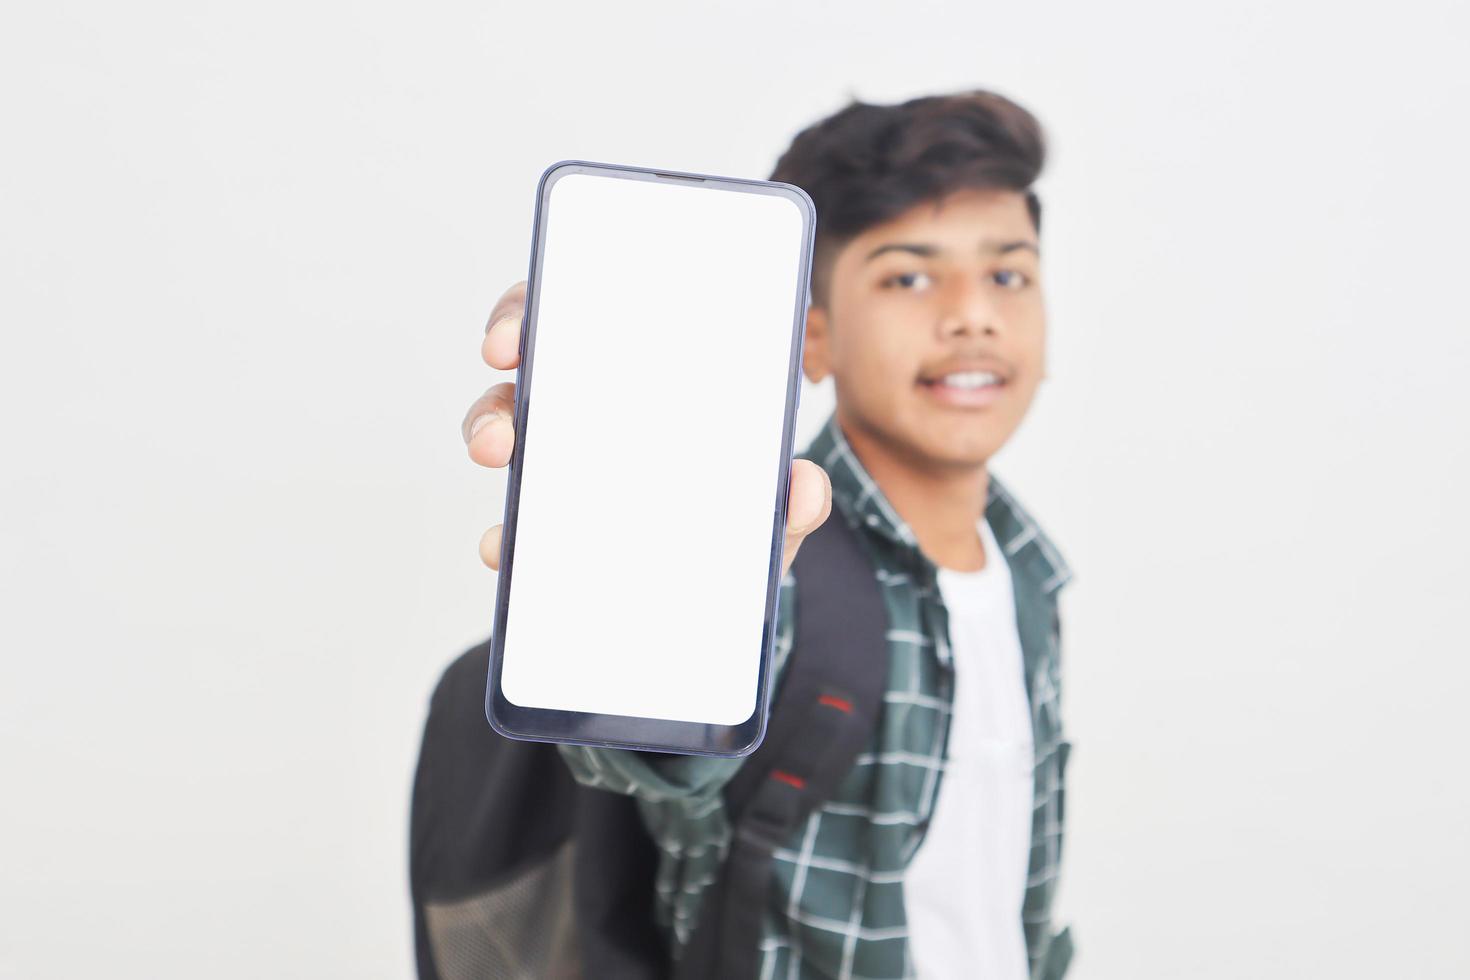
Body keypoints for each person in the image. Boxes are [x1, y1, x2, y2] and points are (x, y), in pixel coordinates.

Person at [455, 88, 1075, 980]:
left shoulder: (1029, 578)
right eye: (908, 275)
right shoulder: (769, 563)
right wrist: (622, 569)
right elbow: (654, 764)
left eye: (1008, 274)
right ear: (809, 336)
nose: (973, 314)